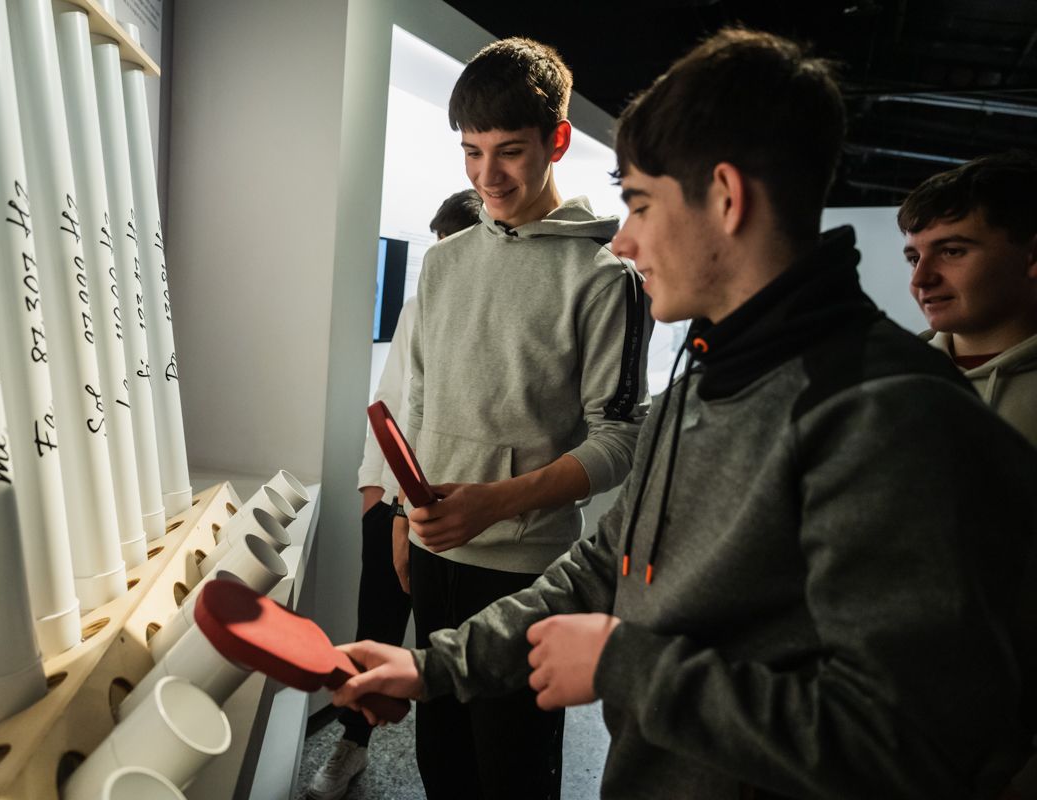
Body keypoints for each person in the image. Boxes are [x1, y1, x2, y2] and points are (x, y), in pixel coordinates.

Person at [334, 28, 1037, 799]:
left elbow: (914, 745)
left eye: (639, 203)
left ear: (727, 199)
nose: (625, 242)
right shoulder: (700, 384)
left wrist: (622, 665)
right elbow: (608, 564)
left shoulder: (893, 420)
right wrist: (433, 668)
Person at [393, 37, 650, 800]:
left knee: (510, 775)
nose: (486, 175)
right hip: (435, 554)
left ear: (558, 140)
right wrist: (406, 519)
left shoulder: (606, 277)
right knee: (441, 764)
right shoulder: (444, 262)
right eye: (471, 152)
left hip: (528, 571)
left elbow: (621, 436)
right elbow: (419, 401)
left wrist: (494, 504)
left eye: (508, 151)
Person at [307, 188, 482, 800]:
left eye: (450, 251)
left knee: (444, 650)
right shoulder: (417, 307)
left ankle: (448, 771)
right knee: (375, 628)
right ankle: (351, 748)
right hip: (390, 499)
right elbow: (389, 403)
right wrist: (372, 490)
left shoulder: (491, 319)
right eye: (435, 251)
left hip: (453, 508)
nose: (440, 266)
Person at [899, 151, 1037, 446]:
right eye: (914, 258)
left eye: (952, 251)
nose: (920, 279)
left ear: (1032, 256)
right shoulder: (884, 377)